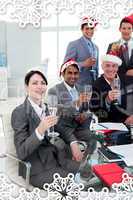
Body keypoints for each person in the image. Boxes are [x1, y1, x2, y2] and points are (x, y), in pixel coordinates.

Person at [11, 69, 80, 189]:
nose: (40, 87)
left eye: (43, 83)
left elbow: (62, 129)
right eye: (35, 83)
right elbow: (21, 152)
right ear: (26, 88)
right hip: (36, 169)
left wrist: (73, 143)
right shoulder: (20, 112)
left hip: (57, 159)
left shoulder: (47, 108)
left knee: (87, 171)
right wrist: (40, 130)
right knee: (75, 185)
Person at [48, 59, 96, 164]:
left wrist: (85, 115)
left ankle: (84, 164)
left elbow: (87, 110)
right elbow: (55, 111)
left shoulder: (81, 88)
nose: (73, 76)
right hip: (62, 129)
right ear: (62, 74)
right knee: (68, 148)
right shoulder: (53, 90)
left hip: (78, 127)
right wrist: (76, 103)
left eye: (76, 73)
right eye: (69, 73)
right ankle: (73, 166)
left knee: (94, 139)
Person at [90, 54, 133, 124]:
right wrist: (107, 101)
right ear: (102, 67)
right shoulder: (96, 85)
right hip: (111, 125)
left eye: (114, 66)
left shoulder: (129, 80)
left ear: (118, 68)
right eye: (107, 65)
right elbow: (96, 111)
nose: (110, 69)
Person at [64, 16, 99, 85]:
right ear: (82, 29)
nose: (89, 31)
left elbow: (96, 68)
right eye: (87, 28)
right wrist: (84, 64)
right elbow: (66, 66)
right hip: (78, 84)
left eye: (91, 28)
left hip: (93, 85)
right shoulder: (74, 44)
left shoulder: (96, 47)